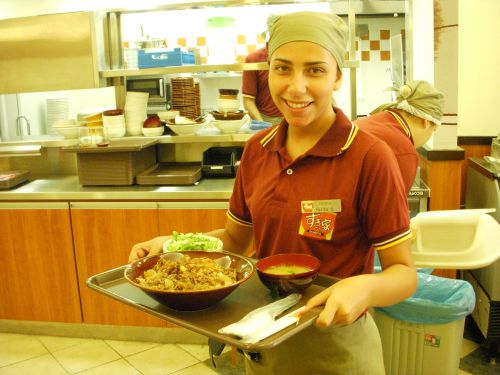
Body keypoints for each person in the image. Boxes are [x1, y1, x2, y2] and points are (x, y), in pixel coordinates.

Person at [130, 11, 417, 375]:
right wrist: (177, 251)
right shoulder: (257, 150)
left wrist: (365, 289)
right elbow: (235, 242)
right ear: (268, 74)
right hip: (263, 338)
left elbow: (403, 273)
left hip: (334, 345)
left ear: (338, 77)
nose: (296, 87)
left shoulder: (368, 156)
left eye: (314, 70)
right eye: (283, 68)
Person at [355, 81, 445, 193]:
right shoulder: (403, 151)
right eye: (434, 130)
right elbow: (390, 208)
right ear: (426, 122)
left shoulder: (377, 119)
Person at [242, 45, 283, 125]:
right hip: (264, 119)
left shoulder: (294, 55)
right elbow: (248, 100)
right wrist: (263, 125)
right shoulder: (254, 59)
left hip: (292, 121)